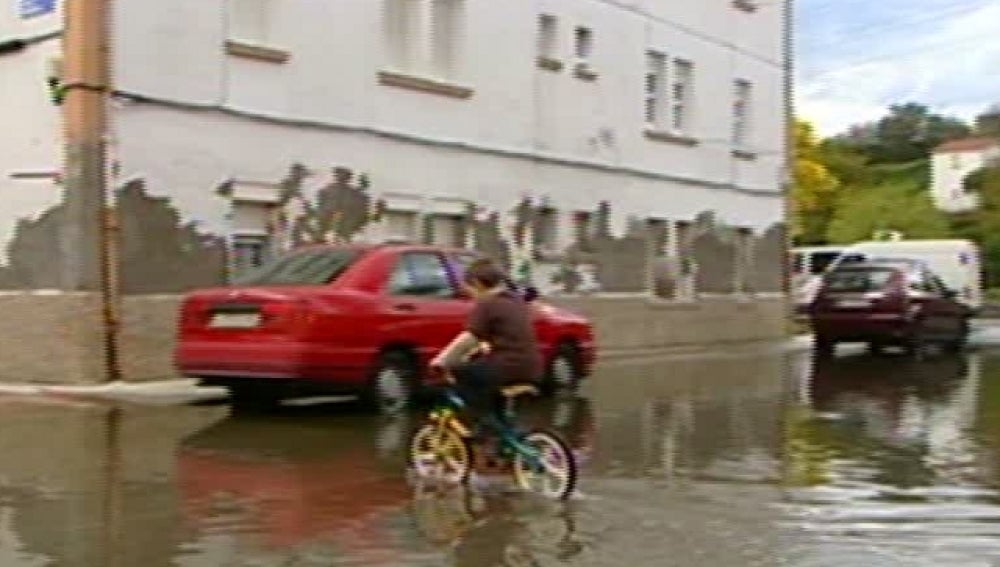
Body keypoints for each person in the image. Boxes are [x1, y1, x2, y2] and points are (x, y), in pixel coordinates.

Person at [430, 258, 543, 436]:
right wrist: (482, 349)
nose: (472, 296)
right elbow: (504, 336)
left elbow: (468, 339)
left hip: (508, 366)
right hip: (532, 367)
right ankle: (499, 432)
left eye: (471, 291)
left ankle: (482, 422)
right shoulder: (515, 300)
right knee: (486, 382)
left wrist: (441, 361)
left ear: (477, 284)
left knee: (461, 373)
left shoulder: (488, 304)